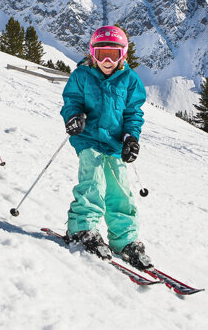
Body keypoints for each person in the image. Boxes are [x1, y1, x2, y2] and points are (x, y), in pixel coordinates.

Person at [60, 25, 151, 269]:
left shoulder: (130, 80)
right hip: (88, 138)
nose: (107, 61)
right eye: (101, 55)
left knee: (120, 192)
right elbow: (71, 101)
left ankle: (124, 240)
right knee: (94, 182)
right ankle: (82, 227)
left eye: (113, 54)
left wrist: (131, 137)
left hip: (114, 143)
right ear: (92, 54)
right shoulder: (82, 75)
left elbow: (133, 112)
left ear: (124, 55)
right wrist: (74, 116)